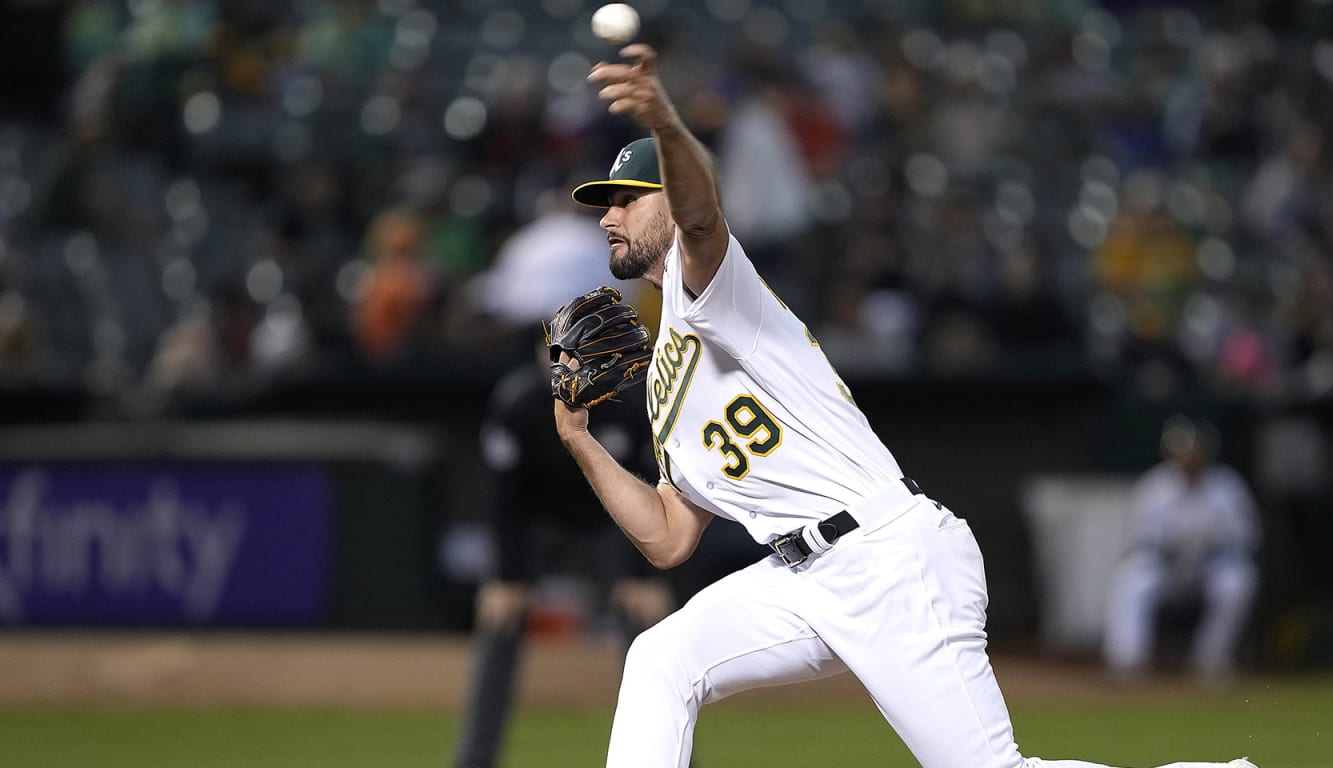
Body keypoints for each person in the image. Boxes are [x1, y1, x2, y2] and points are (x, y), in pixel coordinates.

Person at [552, 43, 1259, 768]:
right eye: (604, 205)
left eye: (625, 198)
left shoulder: (712, 290)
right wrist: (579, 438)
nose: (608, 217)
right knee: (662, 658)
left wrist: (664, 121)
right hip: (799, 579)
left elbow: (702, 216)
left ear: (667, 196)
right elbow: (670, 538)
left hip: (888, 557)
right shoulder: (665, 380)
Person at [450, 329, 673, 768]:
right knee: (500, 618)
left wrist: (643, 575)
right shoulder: (520, 402)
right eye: (557, 351)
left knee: (652, 631)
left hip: (612, 524)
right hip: (537, 523)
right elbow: (506, 499)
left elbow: (654, 488)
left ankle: (670, 759)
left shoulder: (627, 400)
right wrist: (506, 577)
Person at [1103, 416, 1261, 687]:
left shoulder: (1226, 487)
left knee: (1237, 580)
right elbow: (1139, 540)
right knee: (1133, 578)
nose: (1190, 459)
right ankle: (1128, 661)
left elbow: (1246, 539)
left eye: (1194, 453)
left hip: (1207, 567)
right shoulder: (1155, 487)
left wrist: (1212, 546)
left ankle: (1211, 660)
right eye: (1184, 453)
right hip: (1165, 565)